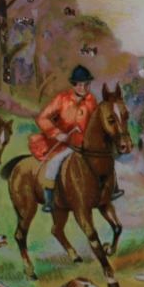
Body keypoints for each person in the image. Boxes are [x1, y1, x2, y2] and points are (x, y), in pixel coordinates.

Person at [30, 64, 98, 213]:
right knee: (54, 163)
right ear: (74, 84)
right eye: (79, 84)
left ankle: (110, 191)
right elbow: (42, 118)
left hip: (86, 146)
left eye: (86, 84)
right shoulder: (62, 99)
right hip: (66, 145)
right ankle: (49, 200)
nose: (83, 88)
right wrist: (57, 133)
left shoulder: (91, 100)